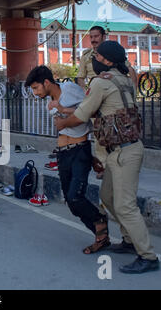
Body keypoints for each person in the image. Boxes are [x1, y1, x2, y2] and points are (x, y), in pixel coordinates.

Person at [55, 41, 159, 274]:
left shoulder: (102, 82)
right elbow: (98, 110)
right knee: (108, 196)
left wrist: (62, 122)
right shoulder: (121, 80)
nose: (94, 59)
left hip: (124, 152)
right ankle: (129, 240)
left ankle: (148, 256)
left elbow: (82, 115)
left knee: (125, 205)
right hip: (120, 151)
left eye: (98, 56)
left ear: (109, 61)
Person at [25, 65, 110, 254]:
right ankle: (100, 232)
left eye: (36, 88)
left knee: (75, 196)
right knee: (70, 202)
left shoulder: (70, 89)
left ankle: (100, 227)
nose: (35, 92)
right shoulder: (50, 102)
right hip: (63, 153)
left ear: (46, 82)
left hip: (80, 150)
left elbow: (89, 110)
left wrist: (63, 109)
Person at [77, 26, 137, 179]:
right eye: (91, 37)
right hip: (95, 95)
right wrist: (85, 93)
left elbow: (129, 71)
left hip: (112, 95)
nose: (93, 39)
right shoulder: (86, 56)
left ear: (104, 36)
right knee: (100, 133)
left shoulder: (113, 52)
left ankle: (122, 163)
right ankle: (104, 167)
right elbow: (80, 77)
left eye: (96, 36)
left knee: (120, 129)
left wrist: (132, 94)